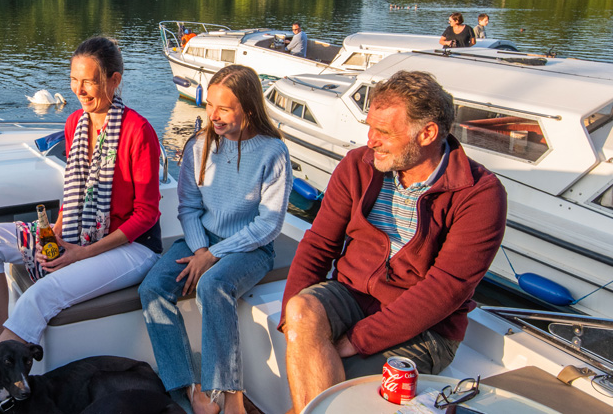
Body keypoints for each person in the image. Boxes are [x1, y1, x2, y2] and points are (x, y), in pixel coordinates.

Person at [0, 36, 162, 414]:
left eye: (89, 81)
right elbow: (77, 195)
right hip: (79, 235)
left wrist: (81, 253)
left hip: (131, 248)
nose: (78, 90)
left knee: (42, 293)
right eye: (74, 79)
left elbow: (147, 213)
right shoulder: (75, 124)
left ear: (114, 81)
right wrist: (52, 232)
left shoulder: (138, 131)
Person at [279, 71, 506, 414]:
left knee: (342, 395)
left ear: (427, 133)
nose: (370, 140)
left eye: (384, 132)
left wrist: (358, 339)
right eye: (370, 127)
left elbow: (446, 290)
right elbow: (319, 243)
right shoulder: (358, 165)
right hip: (349, 296)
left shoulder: (480, 194)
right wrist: (291, 323)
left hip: (428, 329)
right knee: (300, 310)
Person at [140, 65, 292, 414]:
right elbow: (189, 208)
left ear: (249, 108)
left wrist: (212, 256)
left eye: (224, 108)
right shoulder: (198, 145)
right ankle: (191, 387)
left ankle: (231, 398)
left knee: (213, 285)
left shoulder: (273, 152)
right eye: (210, 105)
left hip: (251, 247)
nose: (213, 115)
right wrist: (200, 249)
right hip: (201, 239)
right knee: (152, 290)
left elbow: (268, 226)